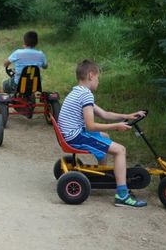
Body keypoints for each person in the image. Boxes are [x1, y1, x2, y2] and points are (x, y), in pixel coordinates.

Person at [58, 59, 147, 208]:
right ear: (91, 75)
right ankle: (122, 196)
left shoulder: (78, 91)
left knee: (104, 137)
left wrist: (128, 116)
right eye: (98, 78)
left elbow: (105, 114)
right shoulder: (86, 95)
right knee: (120, 150)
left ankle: (102, 174)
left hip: (71, 133)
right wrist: (116, 126)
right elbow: (91, 126)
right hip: (75, 136)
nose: (98, 81)